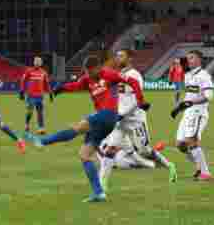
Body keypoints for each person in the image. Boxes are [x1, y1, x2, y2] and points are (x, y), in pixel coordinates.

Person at [22, 53, 149, 203]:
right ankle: (98, 192)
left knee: (78, 127)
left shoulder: (109, 74)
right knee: (84, 155)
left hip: (108, 114)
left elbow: (132, 81)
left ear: (98, 67)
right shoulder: (88, 79)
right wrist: (60, 89)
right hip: (104, 121)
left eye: (90, 71)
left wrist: (140, 100)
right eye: (86, 72)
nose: (88, 74)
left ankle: (42, 141)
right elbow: (75, 86)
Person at [98, 50, 176, 188]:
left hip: (135, 120)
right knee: (110, 150)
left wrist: (122, 113)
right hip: (120, 120)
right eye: (117, 56)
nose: (118, 58)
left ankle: (170, 166)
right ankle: (101, 185)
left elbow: (137, 100)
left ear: (129, 58)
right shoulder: (118, 75)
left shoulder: (135, 75)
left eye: (121, 56)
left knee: (144, 151)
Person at [170, 50, 214, 181]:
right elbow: (190, 95)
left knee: (191, 141)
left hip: (198, 112)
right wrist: (179, 107)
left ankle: (205, 173)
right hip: (188, 112)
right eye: (188, 58)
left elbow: (209, 96)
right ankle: (198, 166)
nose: (189, 60)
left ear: (199, 60)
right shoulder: (188, 75)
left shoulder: (204, 75)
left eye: (192, 58)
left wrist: (191, 102)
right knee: (180, 145)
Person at [19, 56, 50, 133]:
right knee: (30, 111)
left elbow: (46, 84)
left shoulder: (44, 72)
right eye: (36, 61)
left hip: (40, 96)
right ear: (34, 62)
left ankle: (41, 128)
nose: (37, 63)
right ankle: (27, 124)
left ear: (41, 63)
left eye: (39, 61)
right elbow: (23, 81)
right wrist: (22, 91)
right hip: (31, 95)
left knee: (40, 112)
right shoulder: (29, 71)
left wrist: (50, 93)